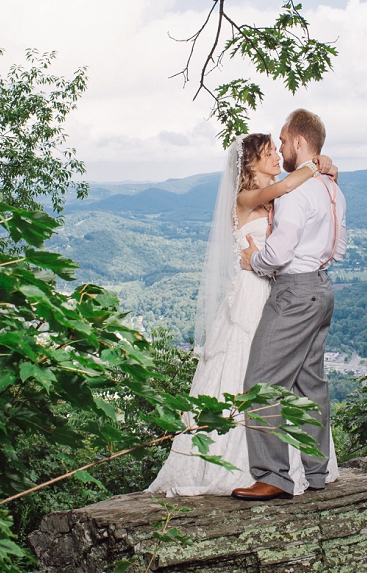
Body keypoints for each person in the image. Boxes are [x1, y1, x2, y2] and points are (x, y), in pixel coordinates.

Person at [146, 130, 341, 497]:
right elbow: (284, 188)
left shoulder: (278, 197)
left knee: (295, 375)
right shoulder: (248, 197)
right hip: (252, 293)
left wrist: (326, 167)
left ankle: (298, 466)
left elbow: (294, 196)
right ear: (250, 163)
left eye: (275, 150)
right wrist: (316, 164)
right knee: (250, 370)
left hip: (278, 290)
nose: (275, 158)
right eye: (268, 153)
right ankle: (248, 466)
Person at [231, 108, 347, 501]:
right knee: (311, 383)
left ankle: (273, 477)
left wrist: (255, 262)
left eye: (282, 141)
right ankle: (316, 473)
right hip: (321, 288)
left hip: (293, 292)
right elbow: (339, 246)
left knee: (260, 382)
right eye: (272, 147)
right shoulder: (333, 189)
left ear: (299, 142)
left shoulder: (299, 190)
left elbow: (277, 253)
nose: (280, 149)